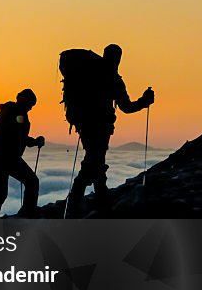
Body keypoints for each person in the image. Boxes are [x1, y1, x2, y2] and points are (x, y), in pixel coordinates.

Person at [66, 44, 154, 217]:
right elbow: (126, 107)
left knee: (95, 159)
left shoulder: (89, 73)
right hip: (100, 127)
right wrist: (144, 101)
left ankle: (97, 195)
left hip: (86, 126)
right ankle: (78, 200)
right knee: (93, 160)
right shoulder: (114, 79)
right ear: (118, 58)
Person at [0, 89, 45, 219]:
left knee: (0, 193)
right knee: (32, 182)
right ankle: (28, 212)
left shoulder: (11, 112)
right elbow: (18, 135)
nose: (30, 108)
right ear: (22, 100)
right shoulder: (15, 113)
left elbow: (19, 135)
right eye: (30, 105)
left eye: (31, 106)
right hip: (7, 158)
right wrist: (34, 141)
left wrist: (34, 141)